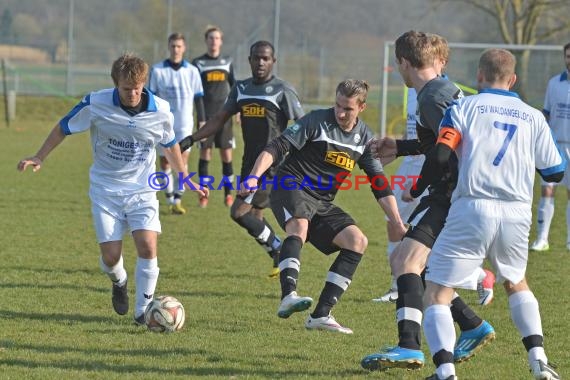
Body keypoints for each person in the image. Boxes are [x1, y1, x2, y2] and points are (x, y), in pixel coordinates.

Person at [17, 53, 208, 324]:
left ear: (144, 84)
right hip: (105, 190)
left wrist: (186, 177)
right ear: (115, 83)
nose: (132, 94)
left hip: (142, 190)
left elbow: (170, 143)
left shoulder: (161, 109)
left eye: (137, 88)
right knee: (110, 257)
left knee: (148, 246)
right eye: (126, 88)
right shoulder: (96, 103)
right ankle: (119, 281)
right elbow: (62, 127)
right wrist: (39, 156)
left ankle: (142, 313)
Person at [419, 48, 563, 380]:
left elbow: (442, 154)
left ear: (479, 76)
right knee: (516, 282)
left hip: (473, 206)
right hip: (517, 212)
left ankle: (445, 372)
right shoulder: (533, 116)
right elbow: (555, 171)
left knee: (437, 291)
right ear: (513, 79)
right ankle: (539, 360)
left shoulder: (463, 107)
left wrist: (419, 186)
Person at [361, 31, 494, 371]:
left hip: (450, 193)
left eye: (399, 65)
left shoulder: (431, 98)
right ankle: (472, 324)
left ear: (404, 63)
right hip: (462, 192)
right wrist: (400, 147)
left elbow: (442, 152)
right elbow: (441, 140)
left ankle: (409, 346)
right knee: (420, 265)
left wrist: (416, 188)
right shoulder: (443, 91)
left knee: (405, 262)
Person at [239, 79, 407, 334]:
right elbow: (276, 146)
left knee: (357, 241)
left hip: (321, 201)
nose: (340, 113)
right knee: (299, 227)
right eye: (338, 105)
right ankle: (288, 296)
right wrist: (254, 176)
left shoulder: (364, 139)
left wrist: (397, 222)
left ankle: (320, 315)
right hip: (289, 185)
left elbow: (379, 184)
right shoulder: (316, 121)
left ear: (361, 107)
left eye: (348, 109)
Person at [179, 41, 304, 278]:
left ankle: (279, 249)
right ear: (249, 60)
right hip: (249, 163)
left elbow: (302, 125)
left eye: (265, 58)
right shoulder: (241, 88)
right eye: (256, 58)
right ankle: (277, 253)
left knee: (238, 212)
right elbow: (219, 119)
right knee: (255, 215)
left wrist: (298, 155)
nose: (260, 62)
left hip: (271, 165)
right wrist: (192, 139)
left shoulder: (282, 90)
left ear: (273, 61)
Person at [149, 32, 206, 215]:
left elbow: (198, 98)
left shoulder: (192, 71)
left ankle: (177, 200)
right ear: (169, 47)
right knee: (165, 162)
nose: (176, 49)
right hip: (163, 123)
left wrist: (201, 120)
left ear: (184, 48)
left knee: (182, 161)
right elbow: (151, 98)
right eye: (173, 46)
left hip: (184, 123)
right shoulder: (158, 70)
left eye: (179, 46)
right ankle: (170, 197)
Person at [530, 42, 570, 252]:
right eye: (568, 56)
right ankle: (541, 239)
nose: (569, 60)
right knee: (547, 191)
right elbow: (546, 113)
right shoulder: (554, 82)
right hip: (553, 146)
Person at [192, 25, 237, 208]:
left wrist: (238, 111)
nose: (213, 41)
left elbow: (235, 88)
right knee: (206, 154)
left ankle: (228, 194)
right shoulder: (198, 63)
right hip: (207, 116)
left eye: (217, 38)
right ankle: (203, 194)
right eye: (210, 38)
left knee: (227, 155)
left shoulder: (227, 61)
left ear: (221, 41)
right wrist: (201, 117)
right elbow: (197, 94)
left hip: (225, 116)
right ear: (206, 40)